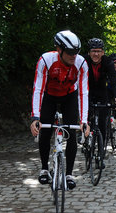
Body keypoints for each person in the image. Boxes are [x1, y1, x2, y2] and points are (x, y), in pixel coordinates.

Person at [30, 30, 90, 190]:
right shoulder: (46, 60)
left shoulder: (81, 63)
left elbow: (83, 92)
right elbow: (38, 90)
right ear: (59, 50)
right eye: (70, 52)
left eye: (76, 52)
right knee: (45, 130)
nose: (73, 56)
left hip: (69, 96)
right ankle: (44, 169)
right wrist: (35, 117)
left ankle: (69, 174)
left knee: (71, 132)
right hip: (49, 96)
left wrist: (84, 121)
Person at [84, 38, 116, 149]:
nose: (96, 54)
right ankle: (84, 137)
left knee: (102, 123)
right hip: (87, 91)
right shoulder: (84, 60)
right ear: (89, 52)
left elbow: (113, 81)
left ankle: (101, 149)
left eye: (98, 51)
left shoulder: (107, 62)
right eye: (93, 51)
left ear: (103, 52)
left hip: (102, 92)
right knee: (86, 117)